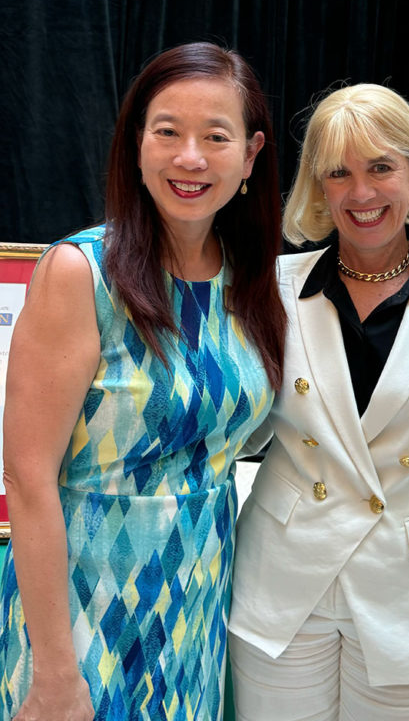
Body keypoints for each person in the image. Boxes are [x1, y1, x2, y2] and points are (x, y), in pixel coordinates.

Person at [0, 42, 286, 721]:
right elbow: (28, 479)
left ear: (250, 155)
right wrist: (55, 672)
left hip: (198, 597)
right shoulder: (81, 274)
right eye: (167, 132)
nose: (190, 157)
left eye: (215, 137)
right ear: (135, 145)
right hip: (82, 605)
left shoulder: (248, 278)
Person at [228, 83, 409, 721]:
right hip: (283, 582)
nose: (361, 193)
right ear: (318, 186)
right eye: (339, 173)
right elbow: (239, 429)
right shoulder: (271, 288)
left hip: (407, 594)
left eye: (380, 168)